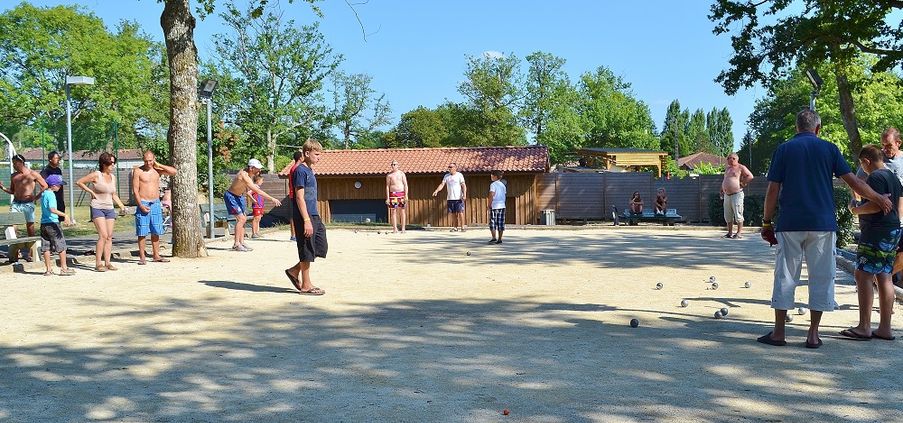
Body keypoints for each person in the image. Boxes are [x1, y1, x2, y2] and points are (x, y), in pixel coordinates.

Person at [758, 109, 892, 349]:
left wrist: (767, 222)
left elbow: (772, 190)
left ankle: (779, 333)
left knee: (785, 276)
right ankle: (813, 334)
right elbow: (855, 183)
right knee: (821, 277)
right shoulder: (829, 149)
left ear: (797, 128)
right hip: (822, 224)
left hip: (790, 223)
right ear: (817, 129)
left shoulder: (784, 149)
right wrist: (879, 198)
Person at [844, 145, 902, 341]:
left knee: (863, 274)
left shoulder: (876, 177)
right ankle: (885, 328)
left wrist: (856, 210)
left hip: (876, 231)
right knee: (884, 275)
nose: (863, 167)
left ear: (866, 161)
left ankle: (864, 326)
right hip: (892, 229)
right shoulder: (893, 176)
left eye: (862, 163)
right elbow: (898, 203)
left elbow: (877, 206)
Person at [284, 139, 327, 295]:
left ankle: (294, 271)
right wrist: (306, 220)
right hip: (305, 216)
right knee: (307, 249)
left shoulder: (309, 170)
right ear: (307, 153)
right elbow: (299, 197)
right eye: (316, 154)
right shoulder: (300, 171)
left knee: (320, 246)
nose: (319, 157)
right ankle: (306, 286)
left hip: (313, 214)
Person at [77, 152, 127, 272]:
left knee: (109, 237)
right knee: (103, 235)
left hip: (109, 208)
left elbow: (113, 194)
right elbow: (79, 182)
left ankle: (108, 262)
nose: (113, 165)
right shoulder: (96, 175)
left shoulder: (113, 177)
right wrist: (91, 192)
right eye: (111, 163)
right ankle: (98, 263)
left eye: (114, 163)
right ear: (104, 163)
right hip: (97, 207)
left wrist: (121, 206)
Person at [224, 158, 282, 252]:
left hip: (239, 197)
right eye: (257, 168)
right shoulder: (244, 175)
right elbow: (257, 190)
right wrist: (272, 198)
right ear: (251, 168)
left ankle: (241, 242)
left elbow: (246, 188)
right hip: (231, 197)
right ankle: (236, 244)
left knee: (244, 218)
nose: (259, 170)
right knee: (241, 219)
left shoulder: (249, 174)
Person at [0, 154, 48, 261]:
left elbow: (45, 186)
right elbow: (13, 191)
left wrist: (36, 197)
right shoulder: (14, 176)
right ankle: (15, 254)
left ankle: (31, 254)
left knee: (30, 229)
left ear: (20, 162)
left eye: (14, 163)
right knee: (12, 229)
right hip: (16, 204)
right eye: (12, 163)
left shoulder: (32, 174)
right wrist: (3, 188)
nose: (13, 165)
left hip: (28, 204)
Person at [132, 150, 176, 265]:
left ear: (154, 159)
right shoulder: (138, 171)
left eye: (150, 161)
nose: (148, 163)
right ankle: (142, 256)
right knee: (142, 231)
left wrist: (159, 165)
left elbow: (173, 172)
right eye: (146, 161)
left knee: (156, 230)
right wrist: (140, 205)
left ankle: (156, 255)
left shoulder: (157, 170)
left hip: (155, 203)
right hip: (143, 203)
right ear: (143, 160)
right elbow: (135, 190)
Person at [39, 174, 74, 276]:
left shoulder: (44, 194)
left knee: (46, 246)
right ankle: (64, 268)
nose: (60, 187)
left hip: (44, 223)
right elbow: (52, 209)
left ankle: (48, 270)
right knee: (61, 245)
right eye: (59, 185)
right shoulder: (51, 195)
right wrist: (65, 215)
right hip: (53, 223)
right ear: (53, 185)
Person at [721, 152, 754, 239]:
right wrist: (722, 189)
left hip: (737, 194)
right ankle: (729, 233)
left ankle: (739, 233)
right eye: (728, 158)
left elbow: (750, 176)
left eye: (732, 158)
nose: (730, 160)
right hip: (727, 195)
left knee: (738, 214)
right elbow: (725, 179)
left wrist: (743, 183)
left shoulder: (741, 167)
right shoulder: (727, 169)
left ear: (737, 159)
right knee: (727, 215)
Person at [432, 163, 467, 231]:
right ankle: (455, 227)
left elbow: (463, 185)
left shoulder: (459, 175)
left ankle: (462, 227)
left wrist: (464, 194)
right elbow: (442, 184)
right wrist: (436, 190)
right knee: (453, 213)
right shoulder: (446, 176)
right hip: (450, 198)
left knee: (460, 212)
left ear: (455, 168)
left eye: (451, 167)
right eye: (449, 167)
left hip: (458, 197)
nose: (449, 168)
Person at [278, 151, 304, 241]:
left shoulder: (294, 168)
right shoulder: (296, 168)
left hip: (293, 194)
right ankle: (293, 235)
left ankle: (295, 235)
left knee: (296, 215)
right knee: (295, 216)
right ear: (300, 158)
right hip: (294, 195)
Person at [40, 151, 66, 223]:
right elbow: (43, 185)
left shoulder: (58, 170)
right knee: (52, 215)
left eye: (59, 158)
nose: (58, 160)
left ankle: (58, 228)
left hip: (59, 197)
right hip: (51, 197)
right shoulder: (45, 171)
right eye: (56, 158)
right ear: (50, 159)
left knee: (60, 218)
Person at [386, 160, 408, 233]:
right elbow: (387, 186)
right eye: (392, 164)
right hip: (393, 194)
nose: (393, 166)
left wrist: (406, 195)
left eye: (395, 164)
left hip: (401, 194)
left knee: (402, 211)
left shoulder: (402, 174)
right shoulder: (389, 175)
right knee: (394, 211)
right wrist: (388, 198)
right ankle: (395, 228)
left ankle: (403, 228)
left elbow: (405, 185)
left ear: (398, 165)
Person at [488, 170, 507, 244]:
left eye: (492, 175)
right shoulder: (502, 185)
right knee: (501, 222)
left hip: (495, 205)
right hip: (502, 205)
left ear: (495, 176)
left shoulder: (493, 184)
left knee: (493, 222)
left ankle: (493, 237)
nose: (491, 177)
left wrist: (489, 204)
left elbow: (491, 194)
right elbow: (504, 195)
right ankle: (500, 238)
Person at [248, 174, 265, 239]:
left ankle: (257, 232)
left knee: (259, 219)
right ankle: (254, 233)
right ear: (258, 181)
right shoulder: (254, 187)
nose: (262, 182)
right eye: (261, 180)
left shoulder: (258, 187)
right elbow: (248, 193)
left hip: (260, 206)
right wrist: (253, 200)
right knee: (256, 219)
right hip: (256, 206)